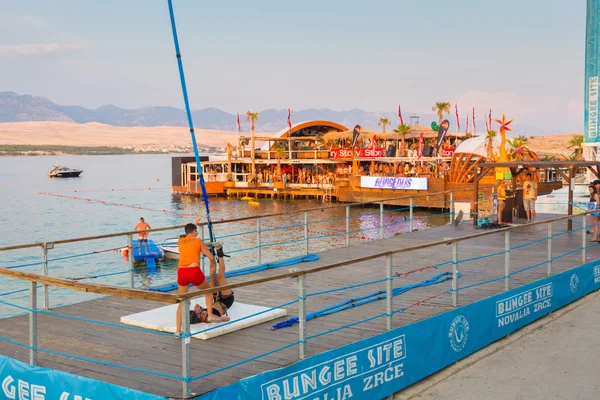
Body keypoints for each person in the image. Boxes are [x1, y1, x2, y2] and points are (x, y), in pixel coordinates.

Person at [175, 216, 226, 335]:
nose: (197, 233)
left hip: (181, 272)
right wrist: (213, 264)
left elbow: (189, 235)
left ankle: (177, 331)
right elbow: (211, 257)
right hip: (193, 271)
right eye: (196, 231)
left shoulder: (180, 241)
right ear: (193, 232)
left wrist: (195, 223)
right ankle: (210, 313)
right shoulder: (198, 241)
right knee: (208, 291)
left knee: (182, 301)